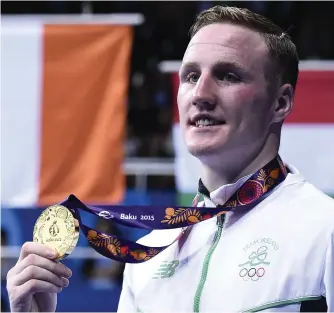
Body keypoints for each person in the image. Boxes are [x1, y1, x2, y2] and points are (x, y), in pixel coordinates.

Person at [5, 5, 334, 313]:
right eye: (191, 76)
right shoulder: (148, 254)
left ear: (281, 102)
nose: (201, 94)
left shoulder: (324, 230)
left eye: (228, 76)